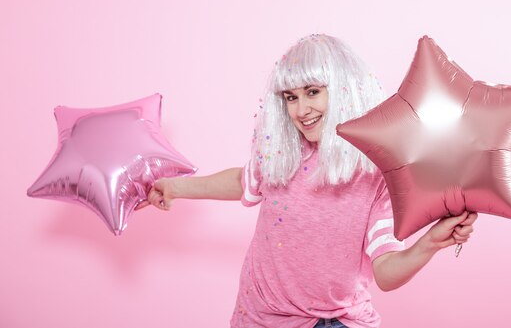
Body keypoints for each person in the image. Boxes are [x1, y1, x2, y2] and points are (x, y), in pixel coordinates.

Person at [136, 34, 477, 328]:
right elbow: (245, 181)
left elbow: (386, 271)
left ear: (344, 92)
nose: (301, 110)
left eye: (313, 92)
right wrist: (177, 187)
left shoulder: (374, 173)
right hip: (262, 317)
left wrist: (430, 243)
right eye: (291, 97)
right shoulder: (282, 154)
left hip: (336, 321)